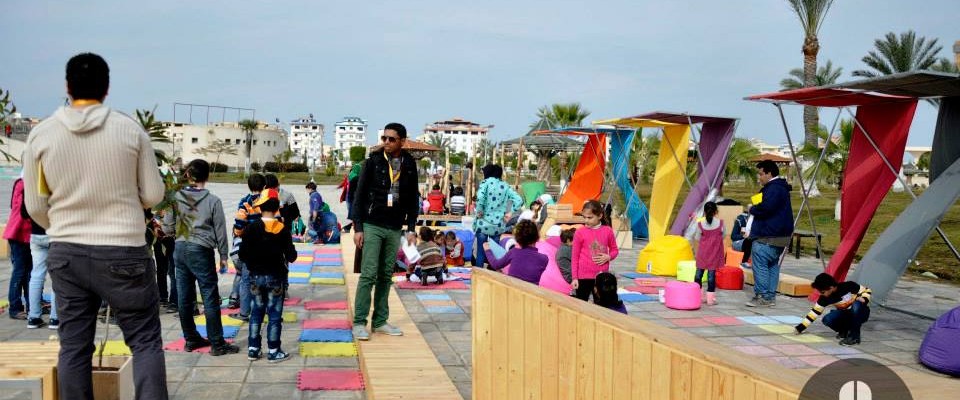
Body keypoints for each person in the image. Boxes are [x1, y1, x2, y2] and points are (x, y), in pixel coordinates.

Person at [22, 53, 168, 399]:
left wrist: (63, 226)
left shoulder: (41, 135)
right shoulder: (130, 130)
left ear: (67, 86)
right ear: (106, 88)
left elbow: (35, 207)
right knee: (144, 341)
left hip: (67, 252)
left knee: (74, 347)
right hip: (124, 251)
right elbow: (153, 194)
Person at [351, 122, 419, 340]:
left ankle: (380, 321)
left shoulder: (409, 163)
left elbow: (413, 198)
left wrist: (411, 229)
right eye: (384, 138)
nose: (387, 142)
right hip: (372, 224)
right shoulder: (373, 161)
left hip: (395, 226)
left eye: (391, 139)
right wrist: (358, 227)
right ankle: (359, 322)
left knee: (385, 276)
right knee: (369, 274)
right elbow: (359, 196)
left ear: (402, 141)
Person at [166, 159, 238, 356]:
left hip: (180, 248)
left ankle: (191, 338)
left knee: (184, 297)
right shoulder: (213, 200)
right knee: (209, 297)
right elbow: (220, 230)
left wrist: (175, 233)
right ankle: (217, 343)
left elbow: (167, 225)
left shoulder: (175, 198)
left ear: (188, 175)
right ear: (208, 176)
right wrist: (223, 255)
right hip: (201, 249)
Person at [238, 189, 297, 362]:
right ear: (277, 207)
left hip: (256, 277)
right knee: (274, 315)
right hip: (276, 277)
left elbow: (242, 254)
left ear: (260, 206)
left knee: (256, 313)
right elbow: (291, 256)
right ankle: (273, 350)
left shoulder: (251, 228)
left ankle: (253, 349)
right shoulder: (282, 229)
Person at [745, 160, 794, 308]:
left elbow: (766, 208)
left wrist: (752, 209)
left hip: (768, 234)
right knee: (772, 265)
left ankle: (763, 296)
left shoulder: (773, 189)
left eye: (761, 174)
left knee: (760, 264)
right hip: (781, 235)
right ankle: (770, 296)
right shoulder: (781, 188)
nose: (759, 177)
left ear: (769, 173)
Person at [794, 273, 873, 346]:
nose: (821, 294)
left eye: (823, 292)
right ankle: (844, 330)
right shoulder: (824, 298)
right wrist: (800, 328)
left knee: (857, 304)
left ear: (831, 288)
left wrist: (864, 298)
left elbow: (867, 290)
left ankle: (854, 337)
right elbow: (814, 313)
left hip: (860, 313)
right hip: (845, 315)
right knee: (827, 319)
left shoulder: (848, 286)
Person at [225, 173, 265, 317]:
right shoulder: (268, 202)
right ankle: (262, 310)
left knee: (246, 280)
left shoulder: (245, 202)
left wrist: (238, 232)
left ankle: (244, 312)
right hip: (264, 246)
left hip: (249, 247)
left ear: (249, 186)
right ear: (264, 186)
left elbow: (239, 224)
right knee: (262, 278)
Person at [474, 164, 522, 269]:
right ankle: (492, 274)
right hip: (498, 225)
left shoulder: (485, 183)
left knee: (481, 252)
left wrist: (479, 210)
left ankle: (478, 274)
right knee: (494, 252)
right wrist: (510, 212)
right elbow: (519, 200)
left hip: (483, 223)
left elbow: (480, 198)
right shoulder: (505, 185)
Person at [571, 200, 620, 301]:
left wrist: (609, 257)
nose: (586, 220)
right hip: (583, 277)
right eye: (584, 217)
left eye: (590, 217)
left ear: (600, 216)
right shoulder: (579, 232)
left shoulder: (608, 231)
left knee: (603, 305)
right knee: (581, 304)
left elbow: (615, 250)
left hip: (602, 276)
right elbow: (575, 256)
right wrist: (574, 277)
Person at [25, 190, 57, 329]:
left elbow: (24, 212)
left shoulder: (32, 186)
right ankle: (55, 319)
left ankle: (33, 317)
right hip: (55, 234)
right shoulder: (54, 183)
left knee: (36, 276)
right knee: (57, 277)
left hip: (36, 234)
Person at [482, 220, 548, 285]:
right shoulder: (544, 259)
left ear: (517, 239)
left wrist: (487, 250)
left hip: (511, 289)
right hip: (530, 291)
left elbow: (496, 265)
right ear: (537, 237)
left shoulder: (514, 252)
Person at [5, 176, 32, 320]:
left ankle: (30, 306)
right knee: (21, 272)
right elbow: (26, 211)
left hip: (21, 234)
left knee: (27, 272)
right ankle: (15, 308)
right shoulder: (26, 184)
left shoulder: (20, 182)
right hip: (20, 234)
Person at [694, 202, 724, 306]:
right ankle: (710, 300)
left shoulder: (700, 224)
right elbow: (723, 236)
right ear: (716, 211)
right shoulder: (721, 224)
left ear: (704, 212)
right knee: (711, 277)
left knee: (698, 275)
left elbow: (697, 238)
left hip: (702, 253)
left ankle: (698, 297)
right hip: (714, 253)